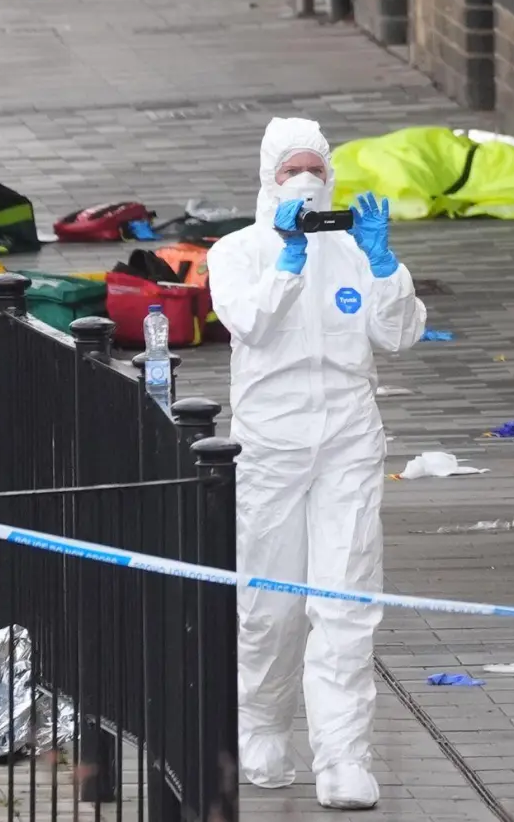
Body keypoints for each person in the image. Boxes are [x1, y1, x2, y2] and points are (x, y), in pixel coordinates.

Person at [207, 117, 426, 808]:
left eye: (315, 168)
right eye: (290, 169)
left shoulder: (355, 251)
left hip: (348, 440)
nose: (304, 180)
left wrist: (385, 266)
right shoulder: (237, 252)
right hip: (269, 442)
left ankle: (342, 755)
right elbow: (251, 323)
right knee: (270, 600)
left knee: (346, 596)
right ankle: (262, 726)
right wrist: (289, 261)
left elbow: (398, 335)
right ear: (267, 179)